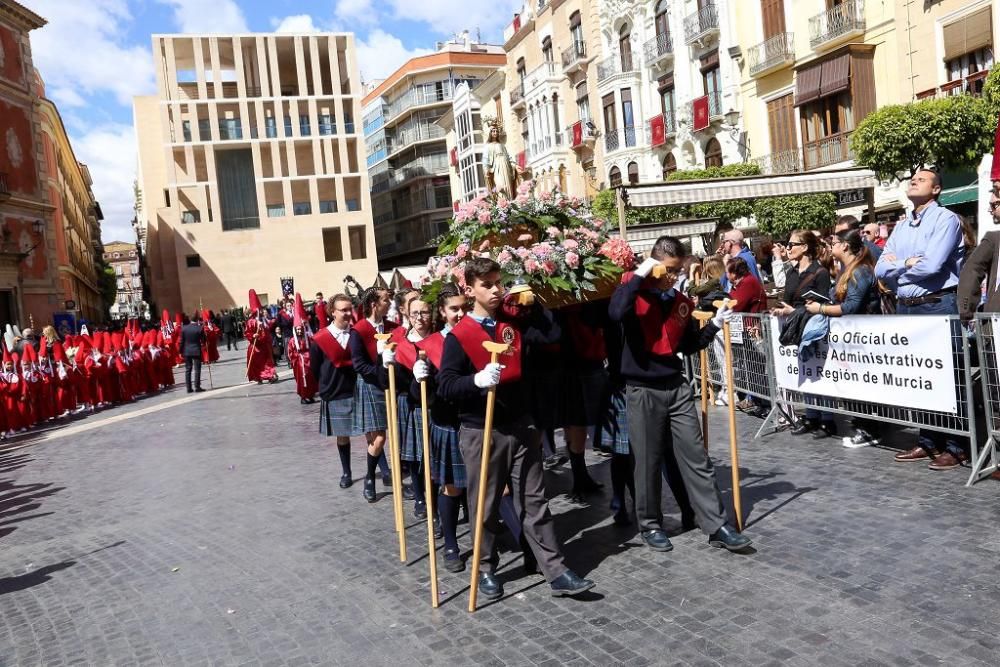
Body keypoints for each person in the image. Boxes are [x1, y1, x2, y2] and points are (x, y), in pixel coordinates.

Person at [437, 257, 595, 599]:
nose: (495, 289)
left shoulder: (513, 323)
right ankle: (486, 567)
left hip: (522, 423)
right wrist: (475, 381)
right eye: (487, 284)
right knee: (486, 503)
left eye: (498, 282)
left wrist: (533, 303)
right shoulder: (459, 335)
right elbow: (446, 385)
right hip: (482, 429)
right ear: (469, 290)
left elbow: (552, 335)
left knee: (534, 500)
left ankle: (555, 569)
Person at [609, 236, 751, 554]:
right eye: (669, 270)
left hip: (675, 386)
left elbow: (688, 344)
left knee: (697, 457)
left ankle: (716, 524)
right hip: (642, 388)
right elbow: (616, 313)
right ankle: (650, 524)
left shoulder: (679, 302)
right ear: (655, 263)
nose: (673, 277)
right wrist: (642, 272)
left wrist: (714, 324)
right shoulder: (633, 294)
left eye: (677, 271)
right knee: (647, 461)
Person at [875, 168, 967, 470]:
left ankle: (957, 445)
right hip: (906, 306)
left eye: (922, 179)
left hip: (936, 305)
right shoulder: (902, 226)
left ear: (937, 189)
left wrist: (896, 266)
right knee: (920, 377)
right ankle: (928, 440)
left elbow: (932, 266)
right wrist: (906, 262)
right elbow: (879, 270)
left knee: (949, 376)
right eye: (912, 179)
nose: (913, 181)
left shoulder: (946, 220)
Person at [804, 229, 882, 447]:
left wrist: (821, 308)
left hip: (863, 338)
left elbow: (851, 306)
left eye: (834, 242)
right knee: (852, 387)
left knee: (863, 388)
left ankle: (869, 430)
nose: (831, 246)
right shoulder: (846, 270)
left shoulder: (860, 271)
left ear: (845, 246)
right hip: (849, 338)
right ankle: (862, 426)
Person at [415, 283, 468, 572]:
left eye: (463, 307)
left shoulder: (477, 334)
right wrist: (417, 377)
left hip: (476, 421)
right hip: (447, 422)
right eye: (453, 309)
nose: (459, 314)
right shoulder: (431, 345)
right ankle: (450, 543)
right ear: (443, 312)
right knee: (451, 487)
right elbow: (419, 395)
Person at [771, 229, 835, 437]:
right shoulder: (791, 272)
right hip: (797, 324)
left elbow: (823, 303)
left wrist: (794, 310)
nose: (787, 249)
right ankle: (811, 415)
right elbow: (789, 299)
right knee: (805, 372)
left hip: (814, 327)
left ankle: (827, 419)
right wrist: (782, 310)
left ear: (805, 247)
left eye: (791, 245)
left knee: (820, 372)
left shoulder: (820, 272)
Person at [383, 297, 434, 518]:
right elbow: (387, 381)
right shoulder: (400, 342)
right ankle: (420, 497)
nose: (419, 318)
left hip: (435, 402)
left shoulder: (439, 338)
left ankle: (436, 495)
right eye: (415, 313)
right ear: (407, 315)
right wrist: (385, 362)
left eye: (424, 312)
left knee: (433, 453)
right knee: (413, 454)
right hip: (409, 402)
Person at [311, 294, 362, 489]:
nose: (349, 313)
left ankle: (383, 471)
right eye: (344, 310)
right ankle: (346, 472)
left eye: (350, 309)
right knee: (342, 435)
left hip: (358, 389)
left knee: (371, 433)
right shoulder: (320, 339)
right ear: (332, 312)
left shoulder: (358, 334)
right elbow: (315, 368)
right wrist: (326, 386)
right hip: (335, 391)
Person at [349, 287, 396, 502]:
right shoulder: (358, 330)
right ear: (374, 304)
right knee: (379, 438)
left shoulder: (391, 327)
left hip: (390, 385)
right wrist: (379, 364)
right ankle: (369, 478)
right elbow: (358, 364)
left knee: (378, 438)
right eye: (386, 300)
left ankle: (386, 473)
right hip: (370, 384)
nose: (389, 303)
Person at [245, 290, 279, 384]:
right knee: (257, 364)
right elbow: (247, 333)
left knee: (267, 362)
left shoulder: (263, 320)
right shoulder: (250, 322)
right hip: (255, 347)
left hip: (264, 345)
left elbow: (267, 330)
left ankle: (270, 375)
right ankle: (259, 376)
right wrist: (253, 335)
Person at [180, 313, 205, 394]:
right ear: (197, 320)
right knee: (197, 369)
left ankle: (189, 388)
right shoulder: (199, 328)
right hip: (196, 350)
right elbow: (204, 340)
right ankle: (197, 387)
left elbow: (182, 341)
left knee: (188, 369)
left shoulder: (184, 328)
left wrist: (180, 351)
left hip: (187, 351)